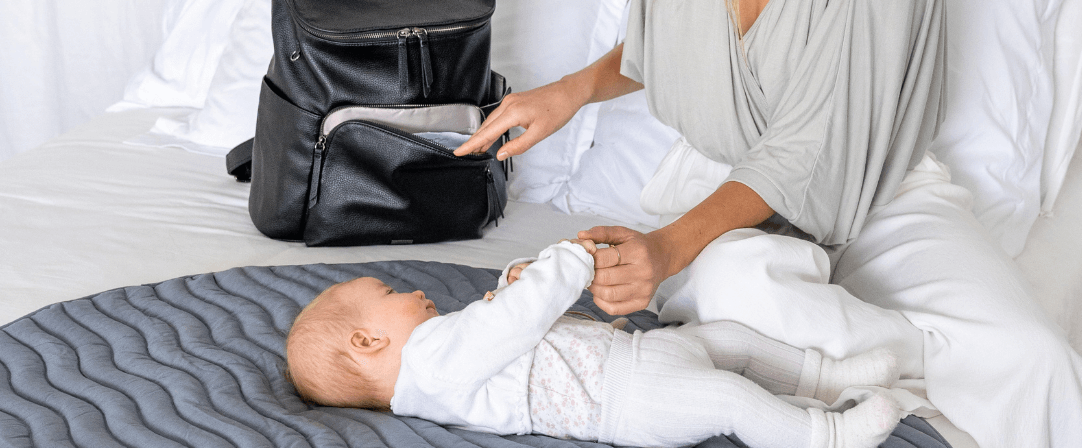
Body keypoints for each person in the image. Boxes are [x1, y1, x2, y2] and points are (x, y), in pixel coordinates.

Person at [452, 0, 1082, 447]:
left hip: (878, 192)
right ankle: (935, 367)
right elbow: (665, 44)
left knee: (1034, 357)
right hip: (725, 192)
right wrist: (571, 92)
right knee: (740, 290)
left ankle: (917, 366)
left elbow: (820, 138)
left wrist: (666, 251)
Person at [285, 240, 904, 448]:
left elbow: (499, 321)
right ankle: (824, 437)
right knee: (728, 396)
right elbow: (513, 325)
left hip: (633, 360)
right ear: (368, 340)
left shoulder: (442, 355)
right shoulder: (429, 361)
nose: (415, 292)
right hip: (625, 397)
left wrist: (511, 280)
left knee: (729, 341)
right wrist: (568, 261)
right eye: (391, 291)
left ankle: (822, 375)